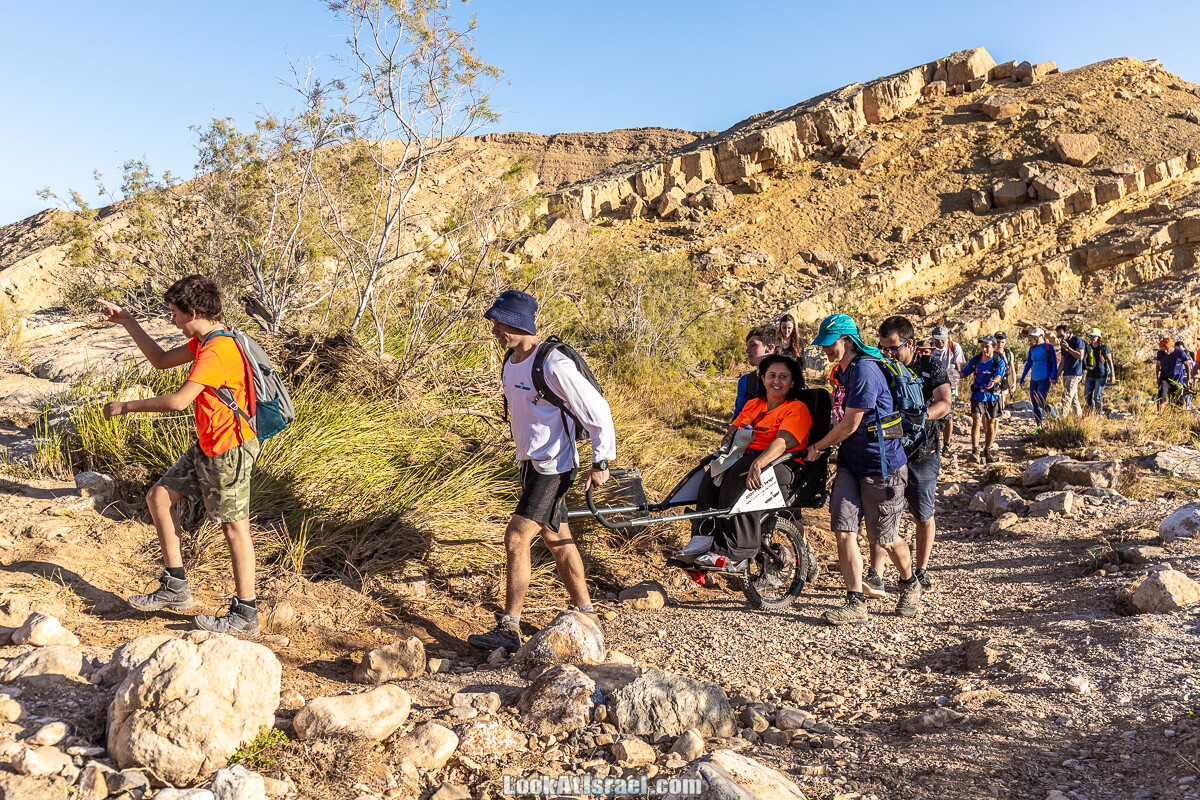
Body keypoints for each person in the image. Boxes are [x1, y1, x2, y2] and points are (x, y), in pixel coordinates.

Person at [98, 275, 263, 634]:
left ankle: (246, 615)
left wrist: (126, 406)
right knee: (159, 496)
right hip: (209, 442)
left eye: (175, 315)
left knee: (235, 527)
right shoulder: (209, 340)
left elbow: (177, 402)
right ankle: (175, 587)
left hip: (229, 447)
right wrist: (128, 321)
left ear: (191, 312)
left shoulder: (219, 350)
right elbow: (159, 360)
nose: (173, 322)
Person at [468, 290, 616, 654]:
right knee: (556, 539)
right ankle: (587, 614)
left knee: (517, 538)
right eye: (494, 323)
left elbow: (597, 410)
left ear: (520, 323)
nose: (496, 330)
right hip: (531, 464)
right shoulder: (512, 360)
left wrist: (601, 462)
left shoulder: (552, 363)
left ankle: (509, 628)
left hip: (555, 466)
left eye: (501, 323)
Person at [802, 314, 922, 625]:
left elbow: (851, 422)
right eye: (824, 345)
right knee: (844, 530)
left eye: (831, 344)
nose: (826, 350)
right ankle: (855, 600)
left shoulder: (865, 370)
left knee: (884, 537)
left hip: (882, 466)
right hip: (850, 464)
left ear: (846, 340)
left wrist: (818, 448)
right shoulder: (841, 372)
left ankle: (910, 583)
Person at [679, 354, 813, 568]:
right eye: (771, 375)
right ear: (762, 378)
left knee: (738, 477)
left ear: (793, 382)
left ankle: (733, 550)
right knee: (711, 476)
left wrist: (758, 464)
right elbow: (735, 429)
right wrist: (727, 441)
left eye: (783, 377)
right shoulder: (753, 404)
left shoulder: (796, 408)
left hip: (782, 462)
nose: (776, 381)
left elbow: (782, 443)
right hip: (746, 456)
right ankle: (704, 537)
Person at [867, 316, 953, 596]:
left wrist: (922, 417)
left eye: (893, 348)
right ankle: (876, 573)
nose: (888, 354)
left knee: (922, 512)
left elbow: (946, 402)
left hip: (924, 452)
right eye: (883, 348)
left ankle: (921, 569)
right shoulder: (882, 366)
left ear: (911, 343)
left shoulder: (930, 365)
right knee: (884, 509)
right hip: (891, 451)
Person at [961, 335, 1007, 464]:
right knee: (976, 421)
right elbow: (964, 372)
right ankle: (975, 451)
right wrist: (952, 374)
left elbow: (999, 374)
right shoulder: (976, 360)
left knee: (991, 424)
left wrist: (994, 381)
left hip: (993, 396)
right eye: (982, 346)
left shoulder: (998, 360)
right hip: (977, 395)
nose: (984, 349)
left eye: (987, 346)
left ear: (994, 347)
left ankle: (987, 451)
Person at [931, 326, 964, 457]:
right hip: (933, 386)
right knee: (934, 415)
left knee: (948, 415)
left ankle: (947, 445)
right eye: (937, 340)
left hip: (950, 385)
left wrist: (955, 389)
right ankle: (934, 444)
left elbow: (958, 370)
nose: (939, 343)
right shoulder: (931, 348)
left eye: (942, 340)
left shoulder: (954, 347)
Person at [733, 326, 781, 418]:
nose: (747, 350)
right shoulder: (745, 381)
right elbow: (738, 415)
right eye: (747, 346)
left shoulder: (789, 380)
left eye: (753, 345)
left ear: (770, 348)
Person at [1019, 328, 1058, 431]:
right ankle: (1039, 426)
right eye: (1033, 337)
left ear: (1042, 336)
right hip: (1034, 379)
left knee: (1040, 401)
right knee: (1034, 403)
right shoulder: (1032, 348)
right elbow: (1028, 364)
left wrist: (1054, 376)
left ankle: (1055, 418)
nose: (1035, 339)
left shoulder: (1048, 347)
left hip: (1045, 378)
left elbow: (1054, 363)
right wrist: (1022, 378)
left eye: (1036, 337)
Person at [1055, 324, 1086, 416]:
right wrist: (1056, 375)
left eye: (1061, 336)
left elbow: (1080, 356)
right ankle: (1078, 417)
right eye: (1058, 336)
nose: (1060, 338)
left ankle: (1062, 418)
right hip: (1067, 373)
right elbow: (1063, 361)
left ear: (1067, 333)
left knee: (1067, 396)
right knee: (1074, 398)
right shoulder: (1063, 344)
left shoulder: (1077, 340)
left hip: (1075, 372)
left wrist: (1068, 348)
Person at [1083, 328, 1114, 414]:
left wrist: (1112, 375)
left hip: (1101, 376)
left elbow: (1110, 361)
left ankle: (1098, 414)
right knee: (1087, 396)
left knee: (1097, 396)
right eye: (1090, 336)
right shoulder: (1088, 348)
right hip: (1090, 375)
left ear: (1098, 337)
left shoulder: (1104, 348)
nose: (1092, 338)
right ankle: (1091, 411)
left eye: (1094, 336)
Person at [1156, 338, 1184, 408]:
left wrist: (1189, 378)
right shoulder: (1160, 353)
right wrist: (1157, 377)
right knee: (1161, 395)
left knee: (1178, 401)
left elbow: (1187, 364)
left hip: (1177, 379)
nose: (1165, 351)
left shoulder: (1180, 353)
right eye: (1164, 349)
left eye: (1167, 348)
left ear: (1172, 346)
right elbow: (1158, 365)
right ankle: (1160, 413)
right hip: (1164, 378)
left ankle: (1177, 415)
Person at [995, 331, 1015, 414]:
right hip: (993, 384)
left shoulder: (1008, 354)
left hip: (1004, 385)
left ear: (1005, 342)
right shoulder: (990, 353)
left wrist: (1014, 383)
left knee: (1001, 407)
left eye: (1002, 342)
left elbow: (1012, 369)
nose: (1000, 344)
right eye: (998, 342)